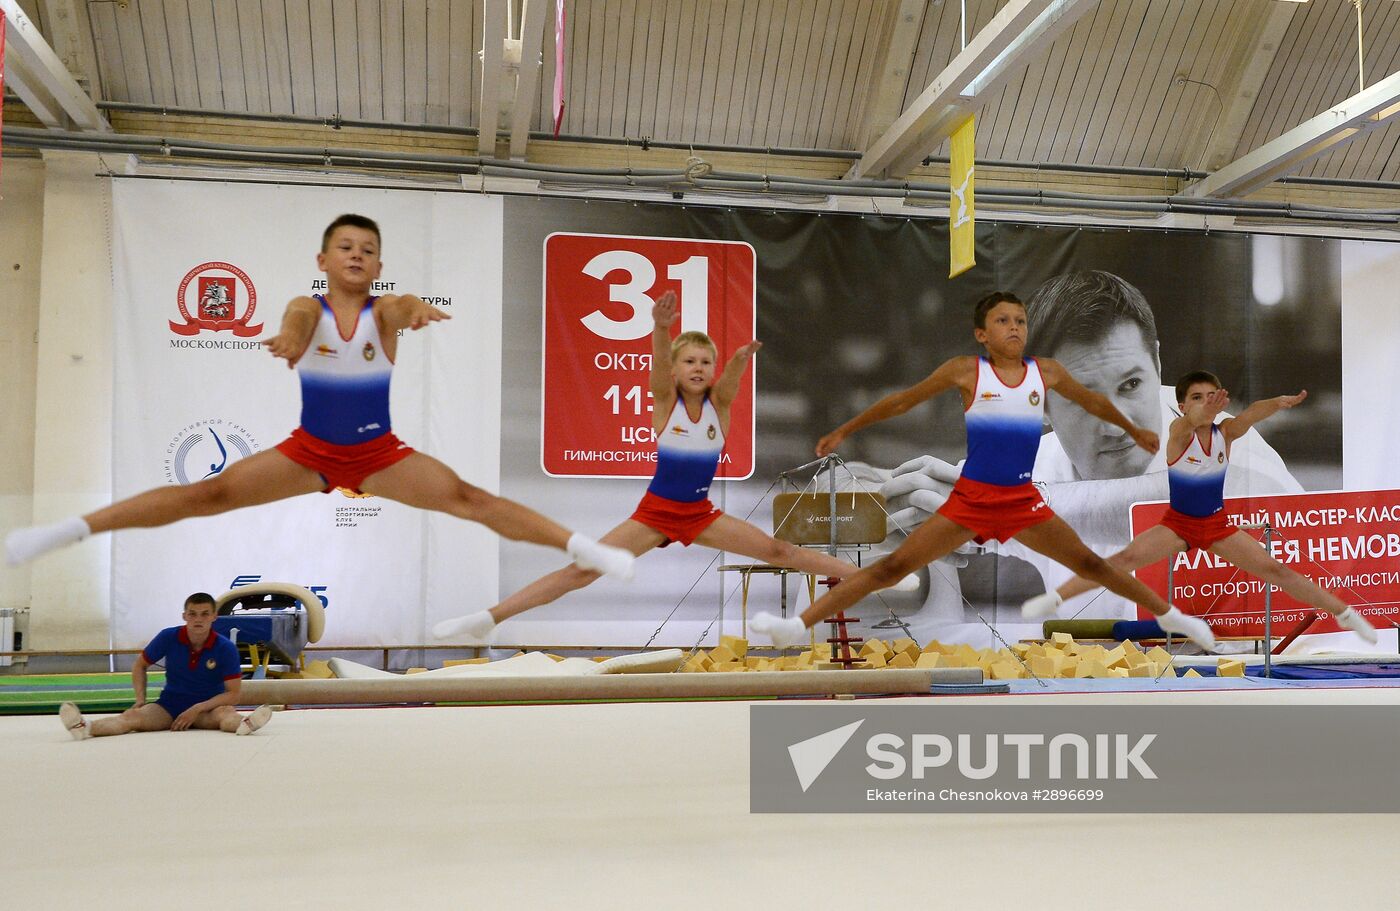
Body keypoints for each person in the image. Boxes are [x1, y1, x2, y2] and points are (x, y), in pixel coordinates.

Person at [6, 214, 634, 581]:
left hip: (377, 456)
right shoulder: (307, 307)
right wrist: (287, 339)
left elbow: (403, 304)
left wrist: (417, 311)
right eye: (346, 248)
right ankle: (68, 530)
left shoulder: (385, 312)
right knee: (206, 495)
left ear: (378, 262)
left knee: (471, 500)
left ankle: (584, 549)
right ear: (324, 258)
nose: (357, 256)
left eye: (368, 250)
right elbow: (299, 321)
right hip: (308, 453)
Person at [433, 291, 918, 641]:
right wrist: (662, 329)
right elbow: (655, 367)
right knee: (582, 571)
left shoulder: (718, 409)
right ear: (674, 369)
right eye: (689, 361)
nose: (699, 368)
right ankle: (490, 618)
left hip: (699, 513)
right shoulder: (663, 403)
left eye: (706, 361)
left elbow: (728, 385)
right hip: (656, 514)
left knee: (780, 551)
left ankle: (884, 575)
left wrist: (741, 359)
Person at [747, 291, 1215, 650]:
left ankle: (1178, 618)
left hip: (1023, 509)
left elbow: (1179, 502)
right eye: (1002, 322)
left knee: (1094, 563)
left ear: (1156, 360)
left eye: (1132, 384)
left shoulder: (1216, 429)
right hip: (1002, 506)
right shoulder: (992, 391)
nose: (1119, 415)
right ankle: (795, 625)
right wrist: (858, 464)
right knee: (894, 562)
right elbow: (905, 413)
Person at [879, 270, 1304, 628]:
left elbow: (1205, 500)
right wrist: (878, 503)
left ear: (1157, 364)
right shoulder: (1033, 463)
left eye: (1131, 384)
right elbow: (923, 497)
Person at [1024, 372, 1378, 643]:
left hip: (1216, 526)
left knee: (1277, 571)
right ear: (1181, 406)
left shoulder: (1226, 434)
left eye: (1212, 397)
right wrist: (1202, 409)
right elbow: (1189, 421)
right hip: (1178, 525)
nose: (1206, 404)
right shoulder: (1178, 432)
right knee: (1119, 562)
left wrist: (1281, 403)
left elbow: (1252, 414)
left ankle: (1345, 613)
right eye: (1197, 398)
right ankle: (1054, 599)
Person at [59, 592, 272, 739]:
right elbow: (139, 665)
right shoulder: (168, 637)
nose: (198, 620)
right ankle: (85, 728)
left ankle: (246, 724)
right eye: (193, 614)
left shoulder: (224, 647)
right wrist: (140, 700)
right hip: (169, 707)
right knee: (131, 717)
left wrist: (197, 708)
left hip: (208, 709)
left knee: (226, 715)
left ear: (215, 616)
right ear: (184, 616)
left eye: (205, 614)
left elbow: (233, 695)